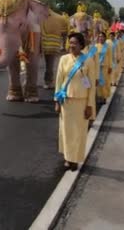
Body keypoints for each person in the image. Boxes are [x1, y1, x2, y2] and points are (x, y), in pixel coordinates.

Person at [54, 32, 96, 171]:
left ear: (81, 45)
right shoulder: (64, 59)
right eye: (70, 42)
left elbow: (91, 85)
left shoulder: (88, 60)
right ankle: (67, 158)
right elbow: (59, 81)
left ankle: (75, 159)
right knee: (66, 131)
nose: (71, 45)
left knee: (79, 132)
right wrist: (56, 101)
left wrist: (90, 105)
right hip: (66, 101)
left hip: (82, 102)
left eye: (75, 43)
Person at [95, 31, 113, 104]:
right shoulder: (96, 46)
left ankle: (104, 96)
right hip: (97, 67)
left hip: (105, 67)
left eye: (102, 36)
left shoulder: (108, 46)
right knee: (99, 83)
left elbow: (110, 57)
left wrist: (110, 67)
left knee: (105, 82)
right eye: (99, 36)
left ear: (105, 38)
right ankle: (99, 96)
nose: (100, 38)